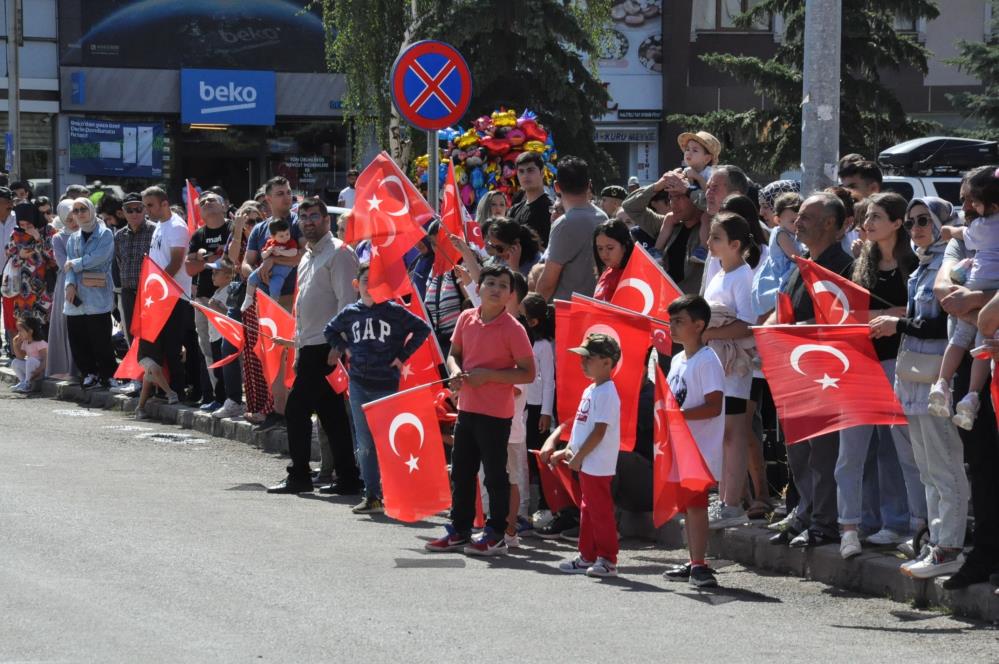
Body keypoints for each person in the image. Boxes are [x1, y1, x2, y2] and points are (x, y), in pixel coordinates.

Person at [869, 197, 970, 577]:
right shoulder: (921, 267)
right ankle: (935, 541)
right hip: (913, 376)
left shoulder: (952, 266)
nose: (916, 228)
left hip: (938, 378)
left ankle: (951, 546)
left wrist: (899, 325)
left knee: (945, 466)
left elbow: (947, 327)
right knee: (926, 468)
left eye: (924, 220)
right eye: (911, 222)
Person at [836, 192, 925, 557]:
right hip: (860, 365)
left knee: (902, 449)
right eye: (865, 217)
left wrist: (893, 317)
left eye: (875, 217)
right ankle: (849, 529)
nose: (867, 223)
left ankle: (914, 526)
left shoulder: (914, 264)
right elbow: (841, 311)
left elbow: (919, 313)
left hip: (901, 363)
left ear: (897, 223)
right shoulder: (859, 264)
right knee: (850, 451)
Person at [425, 262, 535, 555]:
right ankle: (460, 530)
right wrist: (456, 372)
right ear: (479, 287)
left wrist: (488, 376)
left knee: (496, 476)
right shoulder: (465, 318)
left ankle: (496, 534)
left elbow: (527, 373)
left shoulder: (514, 328)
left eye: (503, 286)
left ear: (511, 294)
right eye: (491, 284)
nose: (496, 290)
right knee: (461, 472)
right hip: (467, 410)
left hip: (496, 414)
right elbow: (454, 354)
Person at [766, 193, 853, 548]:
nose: (796, 223)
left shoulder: (844, 268)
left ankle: (824, 522)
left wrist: (794, 330)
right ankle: (805, 510)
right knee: (798, 449)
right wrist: (769, 330)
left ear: (830, 224)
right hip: (794, 373)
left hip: (826, 375)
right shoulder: (800, 266)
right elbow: (781, 310)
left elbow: (838, 318)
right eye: (797, 216)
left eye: (806, 216)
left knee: (824, 452)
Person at [265, 198, 360, 495]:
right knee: (331, 416)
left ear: (326, 220)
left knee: (296, 409)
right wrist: (297, 346)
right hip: (309, 345)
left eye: (314, 216)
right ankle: (347, 478)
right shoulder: (307, 255)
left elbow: (348, 303)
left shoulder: (340, 253)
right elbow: (302, 305)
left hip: (326, 346)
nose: (308, 221)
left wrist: (339, 344)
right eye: (303, 216)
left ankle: (300, 475)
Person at [323, 262, 432, 513]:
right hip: (359, 383)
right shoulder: (350, 313)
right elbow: (330, 331)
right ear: (356, 285)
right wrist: (345, 348)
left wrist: (402, 355)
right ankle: (372, 495)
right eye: (364, 283)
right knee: (365, 443)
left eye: (374, 284)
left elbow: (422, 329)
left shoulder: (393, 311)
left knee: (387, 441)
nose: (369, 288)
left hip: (385, 384)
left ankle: (397, 493)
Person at [543, 333, 622, 578]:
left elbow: (599, 431)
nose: (583, 362)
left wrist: (578, 457)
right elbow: (582, 427)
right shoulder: (591, 389)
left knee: (599, 512)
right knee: (587, 510)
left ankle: (607, 559)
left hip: (597, 463)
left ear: (607, 363)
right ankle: (586, 555)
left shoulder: (608, 392)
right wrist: (568, 451)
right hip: (586, 461)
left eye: (589, 358)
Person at [661, 295, 726, 587]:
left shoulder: (707, 360)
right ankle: (694, 559)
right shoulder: (677, 359)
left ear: (699, 326)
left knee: (697, 506)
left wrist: (677, 416)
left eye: (679, 321)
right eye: (671, 321)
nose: (672, 327)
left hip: (699, 449)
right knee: (688, 507)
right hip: (681, 447)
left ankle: (700, 564)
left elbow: (714, 405)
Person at [701, 211, 760, 529]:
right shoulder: (719, 273)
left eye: (716, 238)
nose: (709, 243)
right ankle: (724, 498)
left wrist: (708, 333)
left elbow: (747, 323)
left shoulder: (742, 275)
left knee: (734, 433)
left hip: (735, 367)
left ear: (735, 244)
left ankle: (732, 502)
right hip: (717, 364)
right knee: (722, 433)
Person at [928, 165, 999, 430]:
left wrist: (974, 301)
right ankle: (971, 396)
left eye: (973, 201)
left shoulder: (981, 226)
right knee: (984, 344)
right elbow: (943, 289)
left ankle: (942, 383)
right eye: (964, 200)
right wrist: (981, 308)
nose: (967, 205)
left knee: (963, 341)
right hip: (985, 302)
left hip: (977, 283)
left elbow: (960, 234)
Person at [242, 176, 303, 431]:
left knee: (289, 357)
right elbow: (245, 264)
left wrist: (274, 262)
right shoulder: (259, 229)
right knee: (271, 357)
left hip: (292, 300)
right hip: (266, 304)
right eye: (280, 193)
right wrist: (258, 269)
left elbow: (303, 256)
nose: (286, 197)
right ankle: (276, 410)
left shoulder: (299, 224)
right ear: (267, 198)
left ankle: (290, 411)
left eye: (288, 192)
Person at [135, 186, 192, 410]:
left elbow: (176, 262)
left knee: (172, 346)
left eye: (150, 205)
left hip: (174, 296)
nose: (146, 210)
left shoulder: (177, 227)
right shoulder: (160, 225)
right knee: (158, 346)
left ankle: (178, 390)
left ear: (165, 203)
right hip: (160, 295)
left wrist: (158, 289)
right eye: (145, 205)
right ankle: (163, 390)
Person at [63, 197, 118, 389]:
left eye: (83, 209)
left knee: (101, 339)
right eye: (75, 211)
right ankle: (88, 373)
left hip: (97, 294)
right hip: (76, 295)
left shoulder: (106, 234)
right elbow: (67, 265)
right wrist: (69, 285)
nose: (79, 214)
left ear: (91, 210)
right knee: (78, 338)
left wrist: (76, 264)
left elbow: (100, 258)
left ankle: (108, 375)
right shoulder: (73, 237)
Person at [536, 156, 608, 302]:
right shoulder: (603, 217)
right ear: (589, 185)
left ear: (556, 187)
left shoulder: (564, 224)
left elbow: (548, 283)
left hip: (566, 312)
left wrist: (532, 310)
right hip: (597, 307)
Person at [187, 191, 232, 411]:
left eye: (212, 200)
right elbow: (189, 268)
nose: (207, 203)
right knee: (207, 348)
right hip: (204, 298)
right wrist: (208, 259)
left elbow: (234, 259)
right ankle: (218, 396)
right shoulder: (198, 236)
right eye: (202, 202)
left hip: (230, 297)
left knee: (229, 349)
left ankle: (234, 397)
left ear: (224, 206)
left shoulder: (234, 229)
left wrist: (202, 260)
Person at [520, 293, 555, 513]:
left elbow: (549, 380)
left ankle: (546, 504)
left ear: (533, 321)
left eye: (522, 316)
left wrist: (545, 412)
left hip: (536, 408)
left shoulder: (544, 346)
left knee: (538, 457)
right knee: (525, 457)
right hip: (523, 405)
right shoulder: (522, 341)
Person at [4, 199, 56, 328]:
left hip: (46, 289)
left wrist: (38, 238)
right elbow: (11, 259)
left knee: (46, 329)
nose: (25, 227)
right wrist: (20, 256)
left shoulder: (49, 231)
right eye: (22, 224)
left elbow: (54, 258)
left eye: (28, 224)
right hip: (24, 291)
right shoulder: (16, 234)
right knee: (27, 330)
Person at [751, 191, 803, 319]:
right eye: (792, 221)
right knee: (775, 306)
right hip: (778, 275)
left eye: (800, 220)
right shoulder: (781, 234)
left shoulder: (791, 232)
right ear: (778, 220)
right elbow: (795, 256)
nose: (797, 225)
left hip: (786, 272)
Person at [46, 199, 76, 378]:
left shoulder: (88, 232)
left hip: (87, 283)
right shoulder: (58, 237)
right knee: (64, 324)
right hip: (65, 283)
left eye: (76, 216)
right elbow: (62, 263)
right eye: (69, 218)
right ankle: (65, 368)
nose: (74, 221)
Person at [242, 218, 297, 311]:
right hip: (265, 270)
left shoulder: (290, 242)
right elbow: (263, 255)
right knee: (251, 278)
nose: (285, 237)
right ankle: (248, 298)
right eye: (281, 236)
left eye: (287, 234)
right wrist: (268, 251)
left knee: (275, 288)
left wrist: (281, 252)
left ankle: (273, 305)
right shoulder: (270, 243)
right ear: (273, 236)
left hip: (280, 272)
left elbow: (294, 252)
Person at [508, 152, 553, 246]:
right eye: (521, 171)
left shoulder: (551, 209)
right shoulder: (514, 210)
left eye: (530, 170)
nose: (525, 175)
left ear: (542, 173)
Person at [592, 218, 634, 301]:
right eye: (600, 248)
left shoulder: (633, 278)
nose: (604, 254)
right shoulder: (607, 271)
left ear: (624, 246)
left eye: (610, 248)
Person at [10, 313, 47, 393]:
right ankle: (23, 382)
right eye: (18, 331)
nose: (18, 333)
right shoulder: (26, 342)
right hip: (31, 369)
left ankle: (27, 383)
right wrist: (15, 345)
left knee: (30, 360)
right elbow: (21, 357)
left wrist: (39, 370)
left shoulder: (40, 343)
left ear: (30, 331)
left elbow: (46, 360)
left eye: (20, 331)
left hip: (41, 371)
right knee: (15, 362)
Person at [677, 130, 721, 197]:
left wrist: (698, 177)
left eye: (695, 150)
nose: (689, 153)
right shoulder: (686, 170)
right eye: (687, 149)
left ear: (707, 159)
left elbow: (710, 193)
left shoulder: (710, 173)